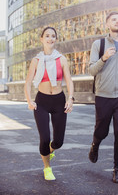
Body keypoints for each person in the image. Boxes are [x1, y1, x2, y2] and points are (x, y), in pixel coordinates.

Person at [88, 11, 118, 183]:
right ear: (107, 24)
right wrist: (103, 58)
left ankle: (117, 168)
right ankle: (95, 144)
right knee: (102, 130)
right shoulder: (98, 44)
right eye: (114, 19)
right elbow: (91, 70)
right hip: (103, 95)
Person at [24, 26, 74, 181]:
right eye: (47, 36)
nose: (50, 38)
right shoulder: (36, 61)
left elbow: (69, 80)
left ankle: (49, 150)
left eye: (53, 36)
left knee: (58, 142)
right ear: (42, 39)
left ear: (56, 39)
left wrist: (70, 98)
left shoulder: (62, 59)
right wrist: (29, 100)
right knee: (44, 138)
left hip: (59, 101)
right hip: (42, 102)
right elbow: (27, 83)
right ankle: (47, 167)